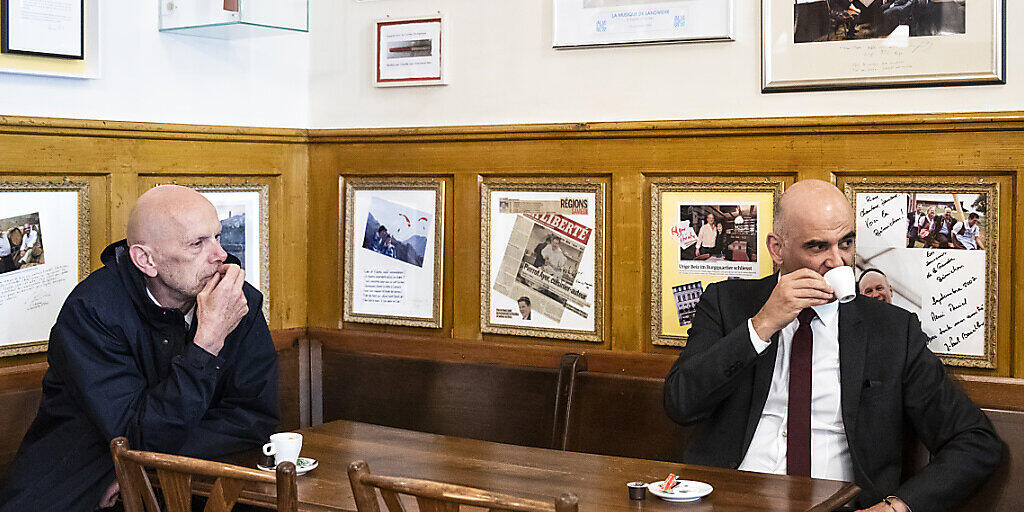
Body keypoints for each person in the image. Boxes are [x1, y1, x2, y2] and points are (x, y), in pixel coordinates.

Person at [663, 179, 1000, 512]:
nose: (838, 262)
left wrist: (896, 507)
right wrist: (762, 325)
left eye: (846, 243)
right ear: (777, 248)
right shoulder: (727, 303)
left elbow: (974, 441)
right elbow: (681, 403)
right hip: (732, 500)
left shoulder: (891, 330)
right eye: (817, 247)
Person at [0, 185, 279, 512]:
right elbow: (136, 434)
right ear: (146, 259)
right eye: (197, 243)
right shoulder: (92, 310)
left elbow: (254, 418)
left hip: (185, 472)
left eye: (217, 236)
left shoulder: (237, 299)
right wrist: (209, 339)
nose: (220, 255)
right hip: (81, 478)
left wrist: (145, 467)